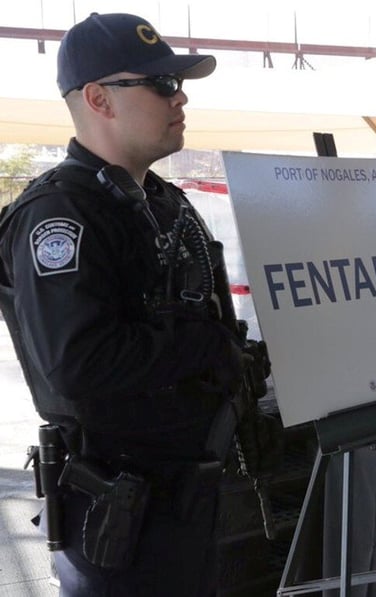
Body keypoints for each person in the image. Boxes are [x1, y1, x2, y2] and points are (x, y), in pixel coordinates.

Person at [0, 13, 245, 595]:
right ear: (98, 99)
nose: (180, 97)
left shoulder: (163, 202)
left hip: (185, 500)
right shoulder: (59, 215)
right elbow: (80, 362)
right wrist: (208, 345)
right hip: (119, 518)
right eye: (160, 84)